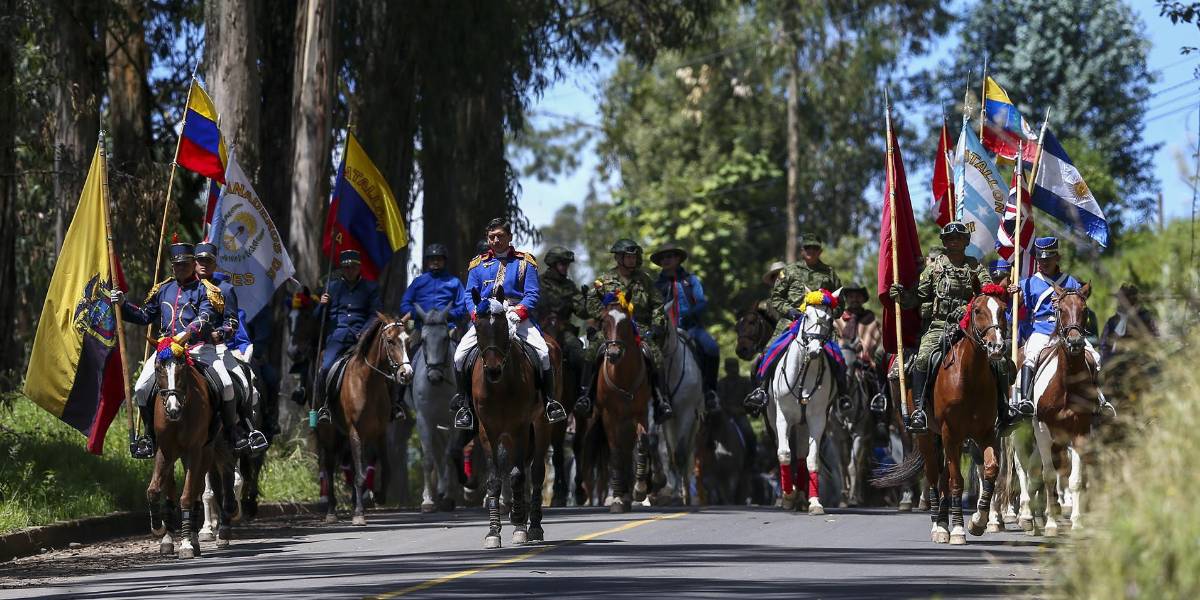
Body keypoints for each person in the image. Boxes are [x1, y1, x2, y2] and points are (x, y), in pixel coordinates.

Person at [109, 240, 241, 458]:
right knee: (141, 388)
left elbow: (205, 318)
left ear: (193, 265)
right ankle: (150, 437)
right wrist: (123, 304)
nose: (181, 268)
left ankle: (231, 434)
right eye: (177, 265)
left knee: (226, 384)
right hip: (165, 350)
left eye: (185, 264)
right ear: (172, 267)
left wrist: (185, 334)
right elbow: (144, 315)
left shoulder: (206, 290)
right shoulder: (163, 289)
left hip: (198, 348)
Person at [450, 218, 567, 429]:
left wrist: (519, 312)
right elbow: (469, 294)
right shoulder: (477, 265)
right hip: (486, 318)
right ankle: (465, 405)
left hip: (515, 315)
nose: (496, 240)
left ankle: (550, 402)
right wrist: (476, 314)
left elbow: (532, 293)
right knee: (459, 356)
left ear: (510, 237)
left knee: (542, 352)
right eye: (492, 237)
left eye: (500, 236)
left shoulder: (525, 262)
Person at [888, 221, 995, 434]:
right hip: (939, 326)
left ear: (966, 242)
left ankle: (1004, 408)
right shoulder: (934, 268)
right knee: (923, 357)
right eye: (950, 239)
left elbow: (987, 294)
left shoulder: (976, 267)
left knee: (996, 360)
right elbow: (918, 297)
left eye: (959, 238)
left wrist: (966, 309)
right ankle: (919, 411)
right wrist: (901, 295)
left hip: (969, 326)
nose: (954, 242)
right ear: (945, 242)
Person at [1008, 237, 1106, 416]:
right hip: (1042, 330)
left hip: (1069, 329)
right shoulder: (1029, 283)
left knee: (1095, 356)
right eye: (1041, 259)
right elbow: (1020, 306)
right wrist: (1017, 295)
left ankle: (1099, 399)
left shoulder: (1071, 282)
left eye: (1048, 259)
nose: (1044, 262)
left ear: (1057, 258)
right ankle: (1026, 400)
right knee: (1030, 356)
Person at [744, 234, 843, 411]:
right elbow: (776, 298)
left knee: (838, 357)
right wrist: (789, 311)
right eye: (807, 248)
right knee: (767, 353)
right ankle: (760, 392)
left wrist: (828, 314)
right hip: (791, 322)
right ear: (802, 251)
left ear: (820, 251)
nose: (811, 251)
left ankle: (842, 397)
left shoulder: (830, 273)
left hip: (820, 325)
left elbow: (840, 303)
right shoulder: (789, 271)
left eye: (814, 248)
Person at [579, 238, 673, 420]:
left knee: (655, 353)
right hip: (612, 328)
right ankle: (585, 397)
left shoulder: (644, 279)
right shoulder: (604, 281)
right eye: (628, 257)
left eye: (634, 256)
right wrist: (605, 316)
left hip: (639, 327)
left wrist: (657, 325)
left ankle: (662, 400)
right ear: (619, 258)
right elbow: (590, 302)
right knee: (591, 351)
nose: (632, 260)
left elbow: (657, 305)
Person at [194, 242, 269, 453]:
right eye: (200, 260)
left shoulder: (225, 289)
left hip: (215, 347)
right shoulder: (183, 287)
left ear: (214, 263)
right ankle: (151, 434)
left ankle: (245, 428)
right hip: (184, 347)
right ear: (194, 262)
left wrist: (222, 333)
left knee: (239, 381)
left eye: (208, 261)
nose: (203, 265)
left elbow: (232, 321)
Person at [651, 243, 721, 416]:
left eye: (670, 256)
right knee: (646, 354)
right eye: (663, 258)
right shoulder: (655, 286)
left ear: (677, 259)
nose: (666, 260)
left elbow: (701, 301)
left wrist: (689, 314)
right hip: (665, 331)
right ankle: (653, 396)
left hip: (691, 328)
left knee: (712, 348)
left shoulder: (691, 280)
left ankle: (710, 391)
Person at [316, 249, 383, 423]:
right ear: (341, 268)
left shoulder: (370, 287)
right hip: (337, 338)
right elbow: (317, 317)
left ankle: (393, 407)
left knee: (383, 367)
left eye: (353, 267)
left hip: (361, 337)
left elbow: (376, 314)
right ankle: (325, 407)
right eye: (346, 267)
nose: (350, 270)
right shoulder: (332, 287)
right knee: (325, 369)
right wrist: (322, 305)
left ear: (359, 267)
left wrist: (366, 331)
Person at [538, 246, 587, 407]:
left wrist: (587, 300)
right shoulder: (537, 283)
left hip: (563, 331)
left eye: (567, 264)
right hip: (539, 330)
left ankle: (583, 395)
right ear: (552, 265)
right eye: (562, 264)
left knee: (580, 354)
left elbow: (582, 312)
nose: (566, 267)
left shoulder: (570, 286)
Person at [400, 243, 468, 332]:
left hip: (447, 328)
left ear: (445, 261)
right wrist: (416, 313)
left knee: (460, 345)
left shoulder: (455, 282)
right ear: (427, 261)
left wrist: (449, 315)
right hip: (421, 328)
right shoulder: (418, 281)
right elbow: (405, 304)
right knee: (407, 344)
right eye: (432, 259)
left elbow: (463, 306)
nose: (435, 262)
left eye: (439, 259)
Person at [1100, 283, 1157, 363]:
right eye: (1120, 299)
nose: (1120, 302)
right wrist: (1107, 358)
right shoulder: (1112, 321)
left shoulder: (1146, 318)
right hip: (1116, 361)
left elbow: (1155, 338)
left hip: (1142, 359)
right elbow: (1104, 343)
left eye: (1125, 299)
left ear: (1134, 300)